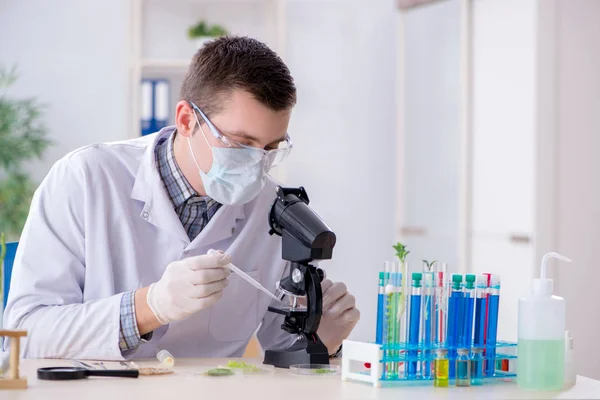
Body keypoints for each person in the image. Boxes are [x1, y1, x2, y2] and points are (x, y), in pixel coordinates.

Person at [2, 36, 360, 360]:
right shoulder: (85, 178)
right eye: (241, 144)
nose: (257, 164)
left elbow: (278, 351)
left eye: (270, 148)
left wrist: (319, 341)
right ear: (187, 120)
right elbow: (25, 334)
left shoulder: (272, 209)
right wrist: (149, 307)